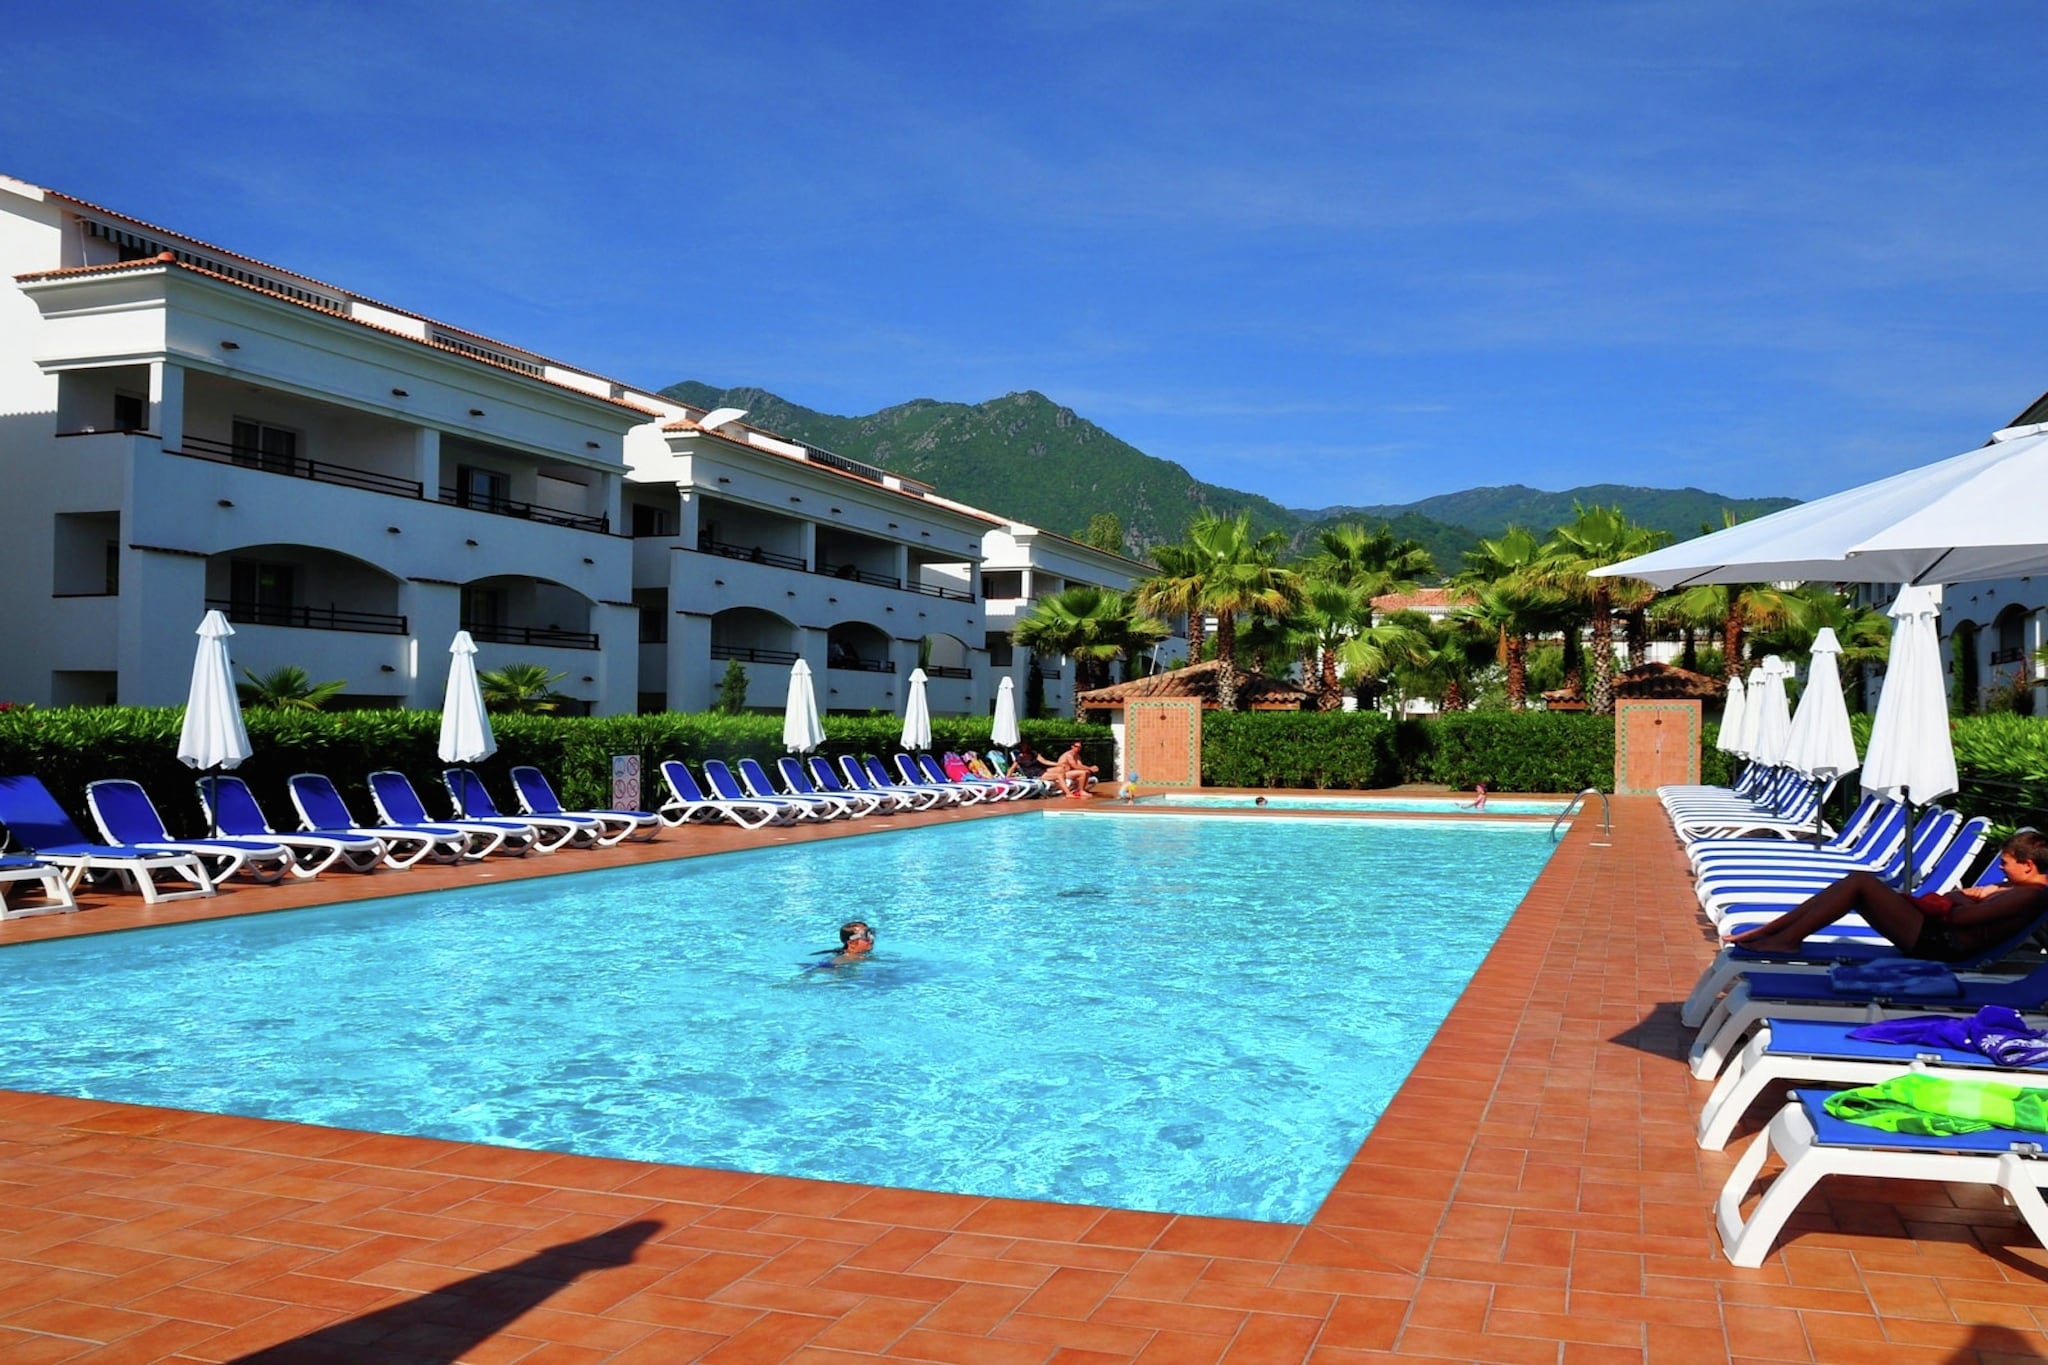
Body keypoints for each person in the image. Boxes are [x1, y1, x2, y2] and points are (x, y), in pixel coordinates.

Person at [1727, 832, 2048, 961]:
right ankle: (1777, 932)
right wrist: (1971, 897)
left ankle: (1781, 936)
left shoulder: (2028, 896)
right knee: (1856, 883)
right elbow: (1960, 902)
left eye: (2005, 864)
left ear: (2028, 865)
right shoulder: (2019, 890)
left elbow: (1961, 916)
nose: (2002, 870)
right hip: (1939, 934)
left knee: (1860, 884)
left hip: (1942, 944)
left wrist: (1967, 898)